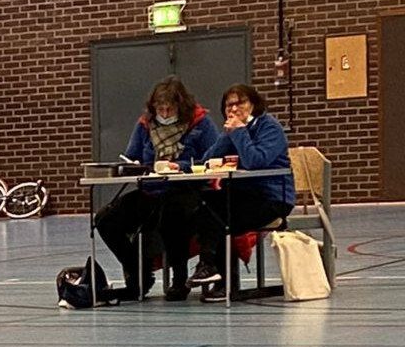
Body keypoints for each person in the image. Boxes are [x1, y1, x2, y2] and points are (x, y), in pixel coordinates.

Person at [92, 77, 218, 301]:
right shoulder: (145, 126)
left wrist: (181, 166)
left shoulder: (201, 124)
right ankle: (139, 273)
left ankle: (179, 280)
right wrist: (133, 167)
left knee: (171, 215)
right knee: (105, 220)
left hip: (189, 191)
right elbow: (132, 157)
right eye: (161, 109)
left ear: (181, 106)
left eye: (170, 109)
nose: (165, 113)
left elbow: (212, 159)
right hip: (152, 190)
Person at [183, 84, 296, 299]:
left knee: (221, 215)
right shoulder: (233, 130)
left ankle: (216, 274)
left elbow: (255, 161)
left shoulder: (270, 128)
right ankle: (214, 272)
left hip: (273, 197)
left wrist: (239, 132)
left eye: (240, 103)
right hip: (242, 195)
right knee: (207, 204)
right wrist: (227, 136)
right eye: (229, 105)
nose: (234, 109)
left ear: (253, 104)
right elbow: (208, 160)